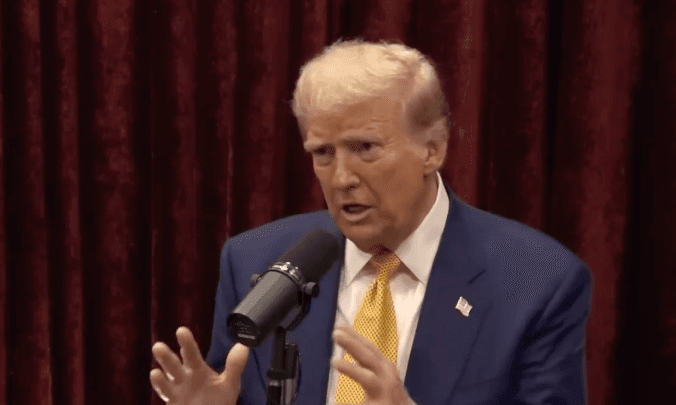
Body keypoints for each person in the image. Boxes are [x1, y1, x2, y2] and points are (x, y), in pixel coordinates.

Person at [150, 39, 592, 405]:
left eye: (365, 148)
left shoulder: (536, 283)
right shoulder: (257, 260)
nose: (341, 178)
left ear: (433, 149)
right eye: (323, 153)